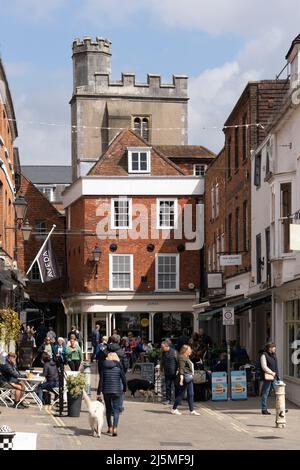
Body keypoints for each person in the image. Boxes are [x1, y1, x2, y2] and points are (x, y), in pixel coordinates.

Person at [97, 352, 126, 437]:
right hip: (117, 391)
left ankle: (109, 427)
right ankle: (115, 428)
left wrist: (98, 393)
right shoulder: (119, 367)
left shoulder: (104, 367)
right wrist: (124, 389)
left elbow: (101, 381)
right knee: (116, 410)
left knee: (108, 410)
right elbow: (124, 380)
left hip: (106, 391)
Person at [171, 345, 199, 416]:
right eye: (189, 350)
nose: (191, 351)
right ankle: (174, 409)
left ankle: (192, 410)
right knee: (181, 394)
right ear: (185, 350)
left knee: (191, 394)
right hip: (185, 378)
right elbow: (181, 368)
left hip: (189, 378)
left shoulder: (186, 357)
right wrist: (181, 378)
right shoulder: (182, 357)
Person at [260, 342, 280, 415]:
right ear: (270, 348)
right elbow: (264, 367)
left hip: (274, 377)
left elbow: (276, 366)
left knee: (278, 393)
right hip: (268, 377)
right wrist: (271, 372)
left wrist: (278, 375)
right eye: (274, 347)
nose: (275, 348)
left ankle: (281, 408)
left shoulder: (274, 355)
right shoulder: (264, 355)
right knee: (265, 393)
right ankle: (264, 409)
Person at [161, 340, 178, 405]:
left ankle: (177, 400)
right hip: (167, 372)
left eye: (163, 347)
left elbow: (178, 361)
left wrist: (178, 370)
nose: (162, 348)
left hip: (174, 372)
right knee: (168, 386)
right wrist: (161, 369)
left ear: (167, 346)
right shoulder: (163, 352)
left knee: (176, 386)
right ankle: (168, 399)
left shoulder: (174, 352)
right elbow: (162, 361)